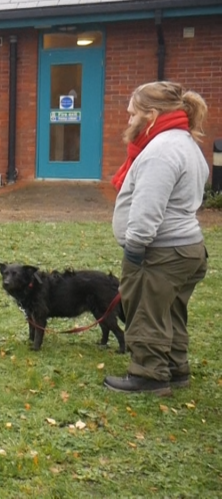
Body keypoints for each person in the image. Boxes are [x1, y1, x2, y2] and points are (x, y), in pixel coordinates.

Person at [104, 81, 210, 395]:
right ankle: (176, 368)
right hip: (188, 248)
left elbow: (147, 208)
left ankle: (149, 375)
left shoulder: (160, 151)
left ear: (151, 115)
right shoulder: (186, 143)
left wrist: (134, 250)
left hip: (161, 252)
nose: (128, 120)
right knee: (171, 310)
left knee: (147, 311)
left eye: (132, 113)